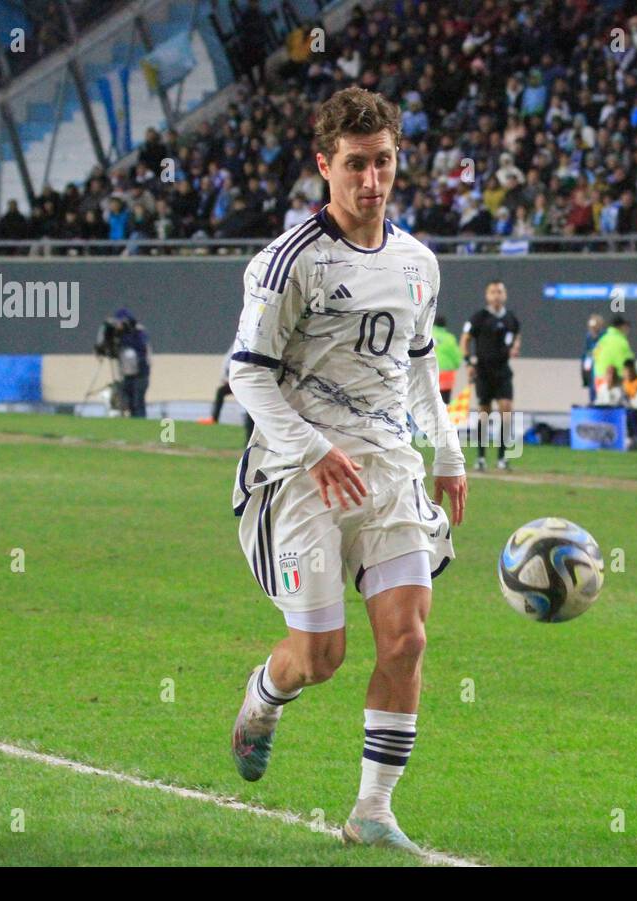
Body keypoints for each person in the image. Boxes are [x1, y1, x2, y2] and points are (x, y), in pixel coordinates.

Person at [226, 86, 466, 854]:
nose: (372, 182)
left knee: (407, 641)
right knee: (319, 659)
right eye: (356, 165)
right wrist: (312, 448)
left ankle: (372, 809)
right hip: (300, 474)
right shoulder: (286, 262)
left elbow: (420, 362)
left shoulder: (418, 263)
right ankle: (264, 700)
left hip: (389, 467)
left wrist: (448, 450)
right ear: (323, 165)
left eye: (385, 163)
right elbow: (247, 375)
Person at [460, 279, 521, 471]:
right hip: (484, 371)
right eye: (493, 292)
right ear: (487, 296)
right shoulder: (479, 317)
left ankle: (502, 458)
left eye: (500, 292)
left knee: (506, 410)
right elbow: (465, 339)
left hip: (503, 371)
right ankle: (480, 458)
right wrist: (469, 362)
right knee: (484, 414)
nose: (497, 295)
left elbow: (517, 334)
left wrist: (516, 346)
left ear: (505, 295)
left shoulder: (511, 318)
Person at [199, 338, 255, 441]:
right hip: (238, 380)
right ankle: (214, 418)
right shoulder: (240, 342)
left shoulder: (244, 343)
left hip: (243, 380)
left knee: (249, 408)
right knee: (222, 392)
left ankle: (250, 438)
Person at [114, 309, 151, 418]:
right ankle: (133, 422)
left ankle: (140, 423)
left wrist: (125, 336)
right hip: (127, 373)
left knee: (138, 402)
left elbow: (141, 347)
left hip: (140, 374)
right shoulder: (121, 336)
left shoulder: (138, 333)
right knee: (129, 402)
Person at [431, 315, 462, 404]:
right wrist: (456, 365)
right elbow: (456, 356)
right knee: (444, 401)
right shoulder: (450, 338)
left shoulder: (428, 335)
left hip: (430, 372)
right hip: (446, 374)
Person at [580, 314, 605, 403]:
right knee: (592, 393)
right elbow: (587, 354)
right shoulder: (588, 337)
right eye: (591, 327)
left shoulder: (604, 337)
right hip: (592, 373)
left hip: (602, 372)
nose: (592, 330)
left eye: (595, 327)